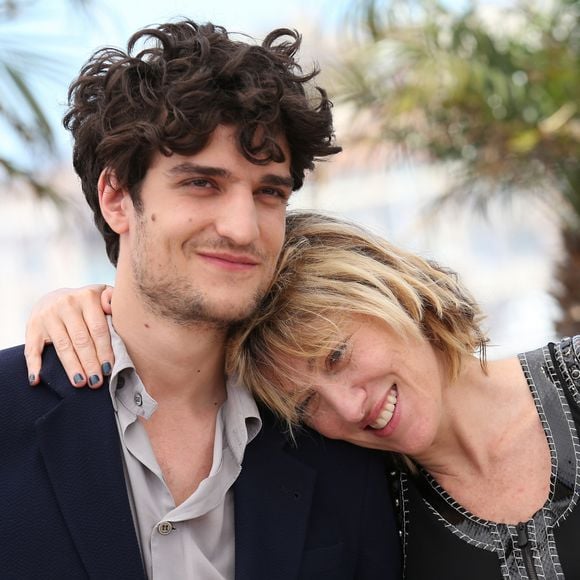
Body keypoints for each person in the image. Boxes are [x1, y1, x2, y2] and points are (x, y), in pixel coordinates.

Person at [0, 21, 401, 579]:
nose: (242, 229)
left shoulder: (337, 437)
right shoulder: (9, 411)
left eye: (268, 192)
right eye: (202, 183)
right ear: (117, 198)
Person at [26, 211, 580, 579]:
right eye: (307, 405)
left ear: (385, 290)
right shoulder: (357, 494)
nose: (348, 408)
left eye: (337, 355)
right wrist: (82, 305)